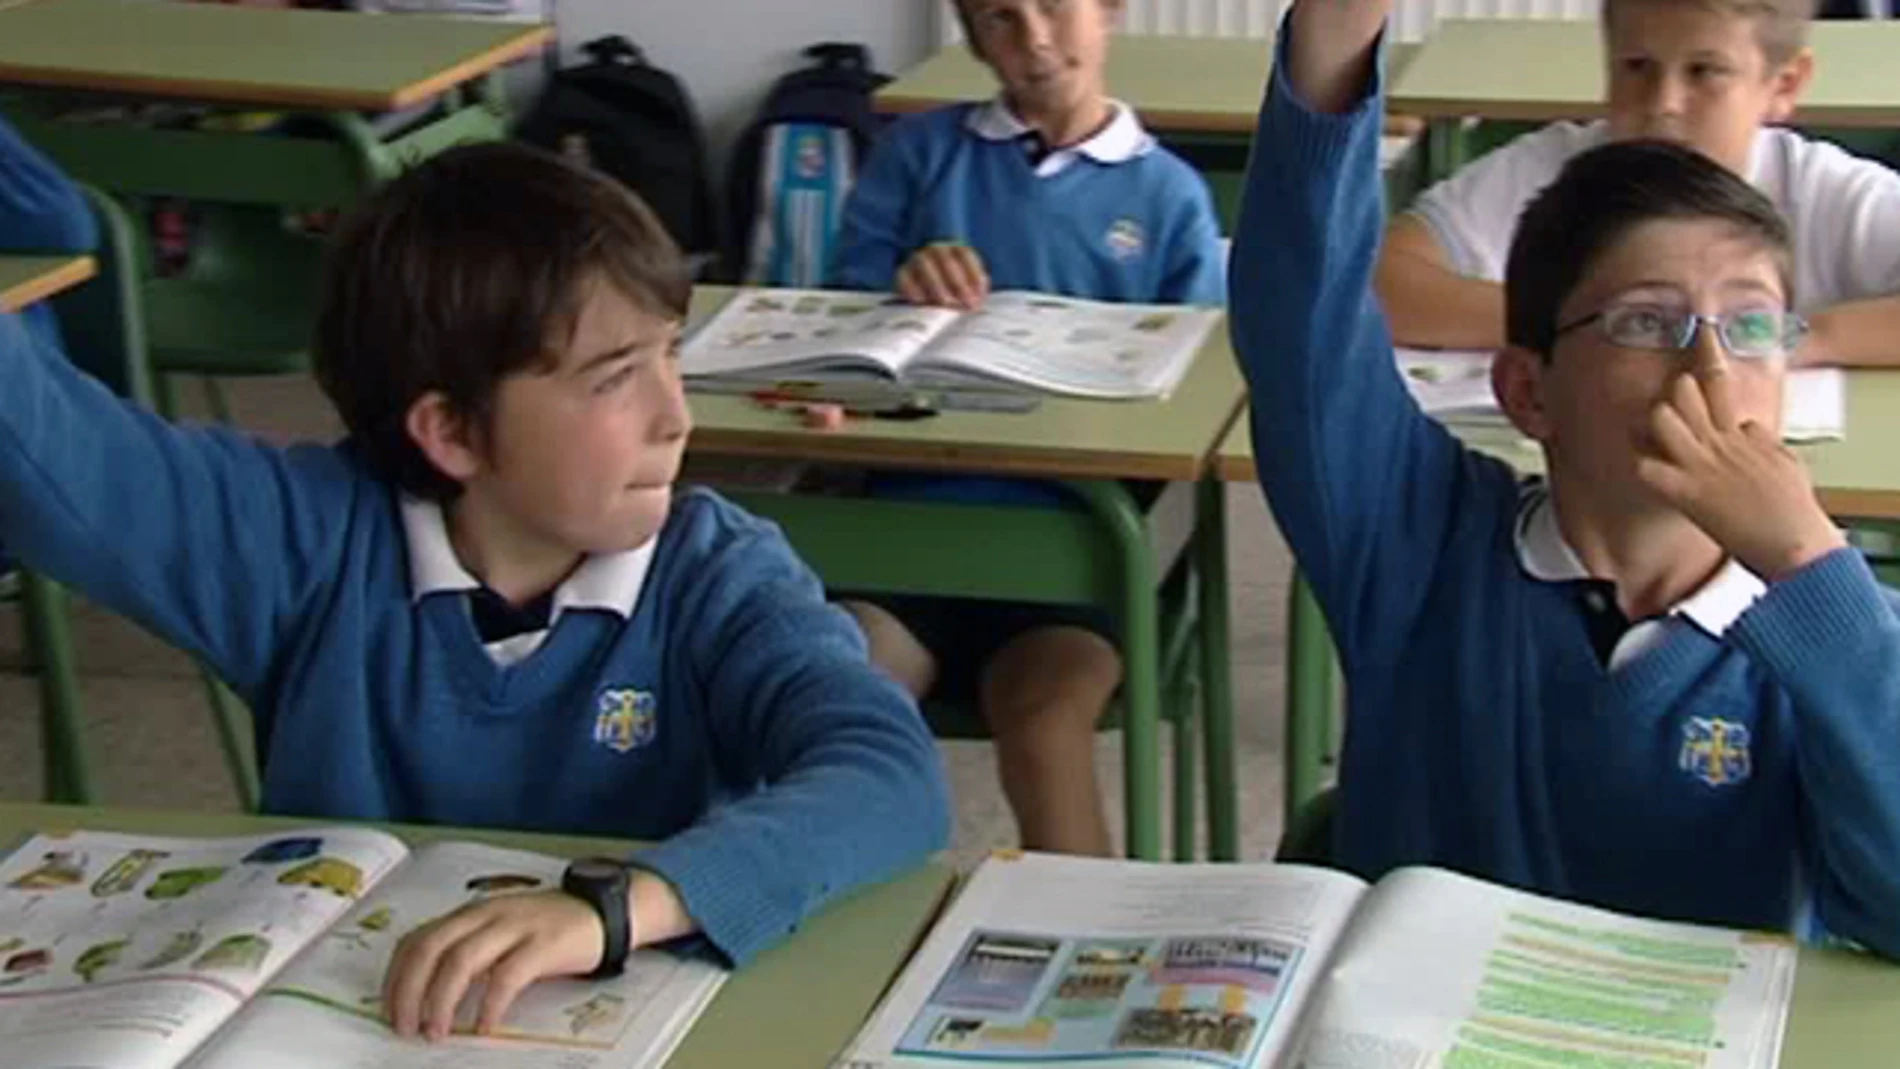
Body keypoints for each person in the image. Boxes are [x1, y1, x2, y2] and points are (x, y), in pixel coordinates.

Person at [0, 141, 951, 1037]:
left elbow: (887, 775)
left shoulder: (717, 571)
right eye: (617, 378)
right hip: (351, 1029)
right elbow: (56, 454)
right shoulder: (304, 541)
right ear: (451, 432)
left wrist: (614, 908)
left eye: (670, 353)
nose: (677, 414)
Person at [1234, 0, 1900, 955]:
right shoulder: (1422, 541)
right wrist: (1338, 33)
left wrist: (1808, 562)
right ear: (1529, 391)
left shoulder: (1834, 623)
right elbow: (1303, 325)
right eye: (1641, 322)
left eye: (1751, 326)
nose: (1709, 372)